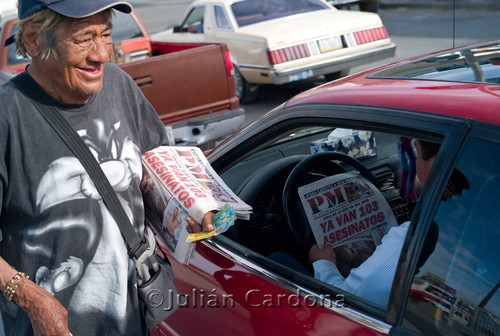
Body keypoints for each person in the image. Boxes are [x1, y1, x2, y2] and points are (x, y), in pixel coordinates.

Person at [0, 1, 213, 335]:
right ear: (34, 40)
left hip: (130, 321)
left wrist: (190, 207)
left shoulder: (118, 84)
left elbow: (154, 172)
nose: (101, 54)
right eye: (84, 39)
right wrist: (31, 299)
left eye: (106, 34)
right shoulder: (7, 116)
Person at [309, 139, 467, 308]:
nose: (414, 158)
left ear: (436, 164)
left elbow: (346, 301)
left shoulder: (407, 238)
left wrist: (323, 264)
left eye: (417, 150)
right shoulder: (463, 221)